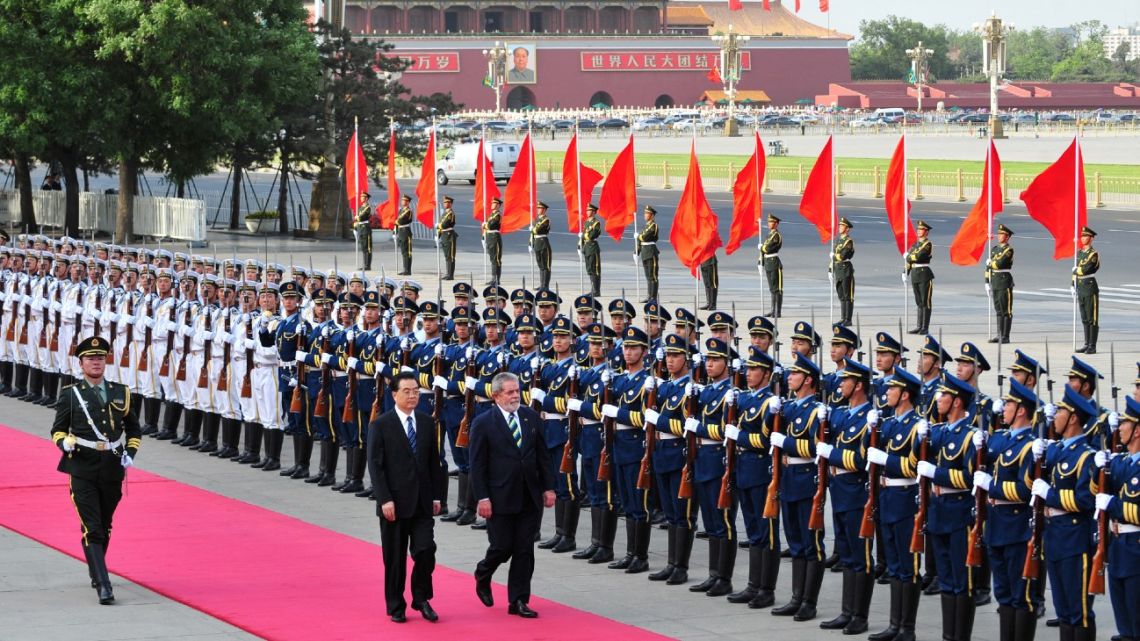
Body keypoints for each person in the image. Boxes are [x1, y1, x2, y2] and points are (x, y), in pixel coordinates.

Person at [50, 336, 142, 605]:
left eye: (100, 358)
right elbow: (57, 428)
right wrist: (62, 442)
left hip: (112, 466)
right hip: (82, 466)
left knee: (105, 525)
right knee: (92, 527)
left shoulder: (120, 391)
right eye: (91, 358)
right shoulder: (70, 393)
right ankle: (104, 583)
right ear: (81, 364)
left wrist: (130, 452)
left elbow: (133, 429)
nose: (96, 362)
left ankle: (95, 568)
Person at [471, 372, 556, 618]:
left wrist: (549, 488)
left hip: (529, 494)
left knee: (524, 550)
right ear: (496, 395)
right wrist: (482, 497)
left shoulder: (530, 417)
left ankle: (518, 600)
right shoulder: (484, 422)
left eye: (517, 391)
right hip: (499, 496)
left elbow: (543, 455)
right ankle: (483, 572)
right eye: (509, 392)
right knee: (501, 546)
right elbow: (477, 465)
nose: (515, 396)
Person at [367, 371, 446, 623]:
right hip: (395, 503)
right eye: (407, 391)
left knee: (425, 550)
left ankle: (421, 598)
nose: (412, 396)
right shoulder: (380, 425)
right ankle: (396, 604)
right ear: (394, 395)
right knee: (395, 557)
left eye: (416, 391)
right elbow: (375, 466)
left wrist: (437, 496)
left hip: (422, 501)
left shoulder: (426, 422)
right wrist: (384, 499)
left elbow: (435, 462)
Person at [986, 223, 1014, 344]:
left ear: (1007, 237)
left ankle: (1005, 336)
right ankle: (999, 334)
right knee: (998, 309)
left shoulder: (1008, 250)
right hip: (995, 282)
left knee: (1005, 310)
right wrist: (987, 281)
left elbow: (999, 264)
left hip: (1004, 281)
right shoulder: (995, 249)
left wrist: (990, 263)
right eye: (999, 233)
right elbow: (988, 268)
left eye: (1002, 234)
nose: (999, 236)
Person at [1073, 226, 1099, 354]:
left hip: (1089, 287)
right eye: (1082, 236)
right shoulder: (1080, 253)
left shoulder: (1093, 254)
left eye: (1086, 236)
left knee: (1091, 317)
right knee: (1084, 317)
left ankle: (1092, 345)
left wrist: (1076, 271)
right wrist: (1073, 284)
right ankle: (1086, 343)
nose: (1083, 238)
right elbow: (1076, 269)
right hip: (1081, 287)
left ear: (1091, 238)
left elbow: (1086, 269)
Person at [905, 221, 934, 334]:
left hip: (924, 274)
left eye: (921, 229)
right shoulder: (915, 245)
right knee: (919, 302)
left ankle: (925, 327)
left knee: (925, 301)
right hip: (915, 274)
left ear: (926, 232)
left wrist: (909, 256)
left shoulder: (927, 244)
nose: (918, 231)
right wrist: (905, 272)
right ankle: (919, 326)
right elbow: (910, 261)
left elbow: (918, 256)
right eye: (918, 229)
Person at [831, 217, 855, 327]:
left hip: (846, 269)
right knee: (841, 295)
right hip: (838, 270)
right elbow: (835, 257)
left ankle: (848, 319)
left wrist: (834, 256)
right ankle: (843, 318)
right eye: (839, 226)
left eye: (842, 226)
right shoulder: (839, 240)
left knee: (847, 295)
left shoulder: (848, 241)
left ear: (847, 229)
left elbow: (842, 255)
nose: (840, 228)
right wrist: (830, 269)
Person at [760, 214, 783, 318]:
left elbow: (768, 248)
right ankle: (772, 309)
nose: (769, 224)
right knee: (771, 288)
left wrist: (762, 248)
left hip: (774, 263)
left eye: (771, 222)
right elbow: (765, 250)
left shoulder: (776, 235)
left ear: (776, 224)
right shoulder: (769, 235)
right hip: (768, 262)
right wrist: (760, 262)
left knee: (776, 288)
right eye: (769, 222)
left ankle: (777, 311)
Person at [637, 205, 659, 303]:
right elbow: (640, 240)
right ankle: (649, 296)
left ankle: (653, 297)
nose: (645, 215)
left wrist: (639, 236)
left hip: (651, 252)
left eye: (647, 213)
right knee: (647, 275)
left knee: (652, 275)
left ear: (652, 215)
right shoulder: (646, 226)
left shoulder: (653, 226)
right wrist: (636, 251)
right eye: (645, 213)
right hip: (645, 252)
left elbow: (645, 237)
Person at [580, 204, 602, 296]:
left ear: (593, 212)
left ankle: (596, 290)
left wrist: (583, 235)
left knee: (595, 269)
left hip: (593, 247)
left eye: (589, 211)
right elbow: (585, 235)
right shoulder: (586, 222)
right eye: (587, 210)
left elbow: (592, 235)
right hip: (587, 248)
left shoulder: (596, 223)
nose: (587, 212)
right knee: (589, 269)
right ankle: (592, 289)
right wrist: (580, 244)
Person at [530, 201, 552, 290]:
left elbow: (538, 230)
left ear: (544, 210)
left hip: (543, 243)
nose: (538, 210)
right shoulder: (537, 220)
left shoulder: (545, 220)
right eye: (538, 208)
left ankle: (545, 285)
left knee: (545, 265)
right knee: (540, 265)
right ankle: (541, 284)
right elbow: (534, 233)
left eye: (540, 208)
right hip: (537, 243)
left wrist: (533, 229)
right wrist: (530, 243)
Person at [484, 197, 503, 285]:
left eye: (494, 203)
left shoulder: (497, 215)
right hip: (490, 237)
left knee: (496, 259)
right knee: (492, 258)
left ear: (498, 205)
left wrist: (485, 225)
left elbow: (491, 225)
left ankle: (497, 279)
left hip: (495, 237)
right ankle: (493, 278)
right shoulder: (491, 215)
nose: (492, 205)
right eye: (492, 203)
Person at [437, 196, 457, 280]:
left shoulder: (450, 214)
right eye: (444, 202)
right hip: (444, 235)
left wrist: (439, 226)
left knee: (450, 256)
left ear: (451, 204)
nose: (445, 204)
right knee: (446, 256)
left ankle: (450, 274)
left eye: (447, 202)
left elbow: (444, 224)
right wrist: (438, 235)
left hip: (449, 236)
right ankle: (448, 273)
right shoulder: (444, 213)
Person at [354, 192, 374, 271]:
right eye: (361, 197)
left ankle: (367, 265)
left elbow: (362, 217)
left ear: (366, 198)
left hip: (366, 228)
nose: (361, 198)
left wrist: (357, 218)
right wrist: (356, 226)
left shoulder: (367, 207)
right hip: (361, 228)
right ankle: (364, 264)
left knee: (367, 247)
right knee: (363, 248)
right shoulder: (360, 207)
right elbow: (358, 218)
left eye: (363, 197)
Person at [396, 194, 414, 276]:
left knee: (407, 252)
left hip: (405, 231)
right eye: (402, 200)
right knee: (403, 251)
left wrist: (396, 222)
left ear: (408, 202)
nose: (403, 201)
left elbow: (402, 220)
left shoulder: (408, 211)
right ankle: (404, 269)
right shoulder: (401, 210)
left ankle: (407, 270)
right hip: (400, 231)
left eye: (405, 200)